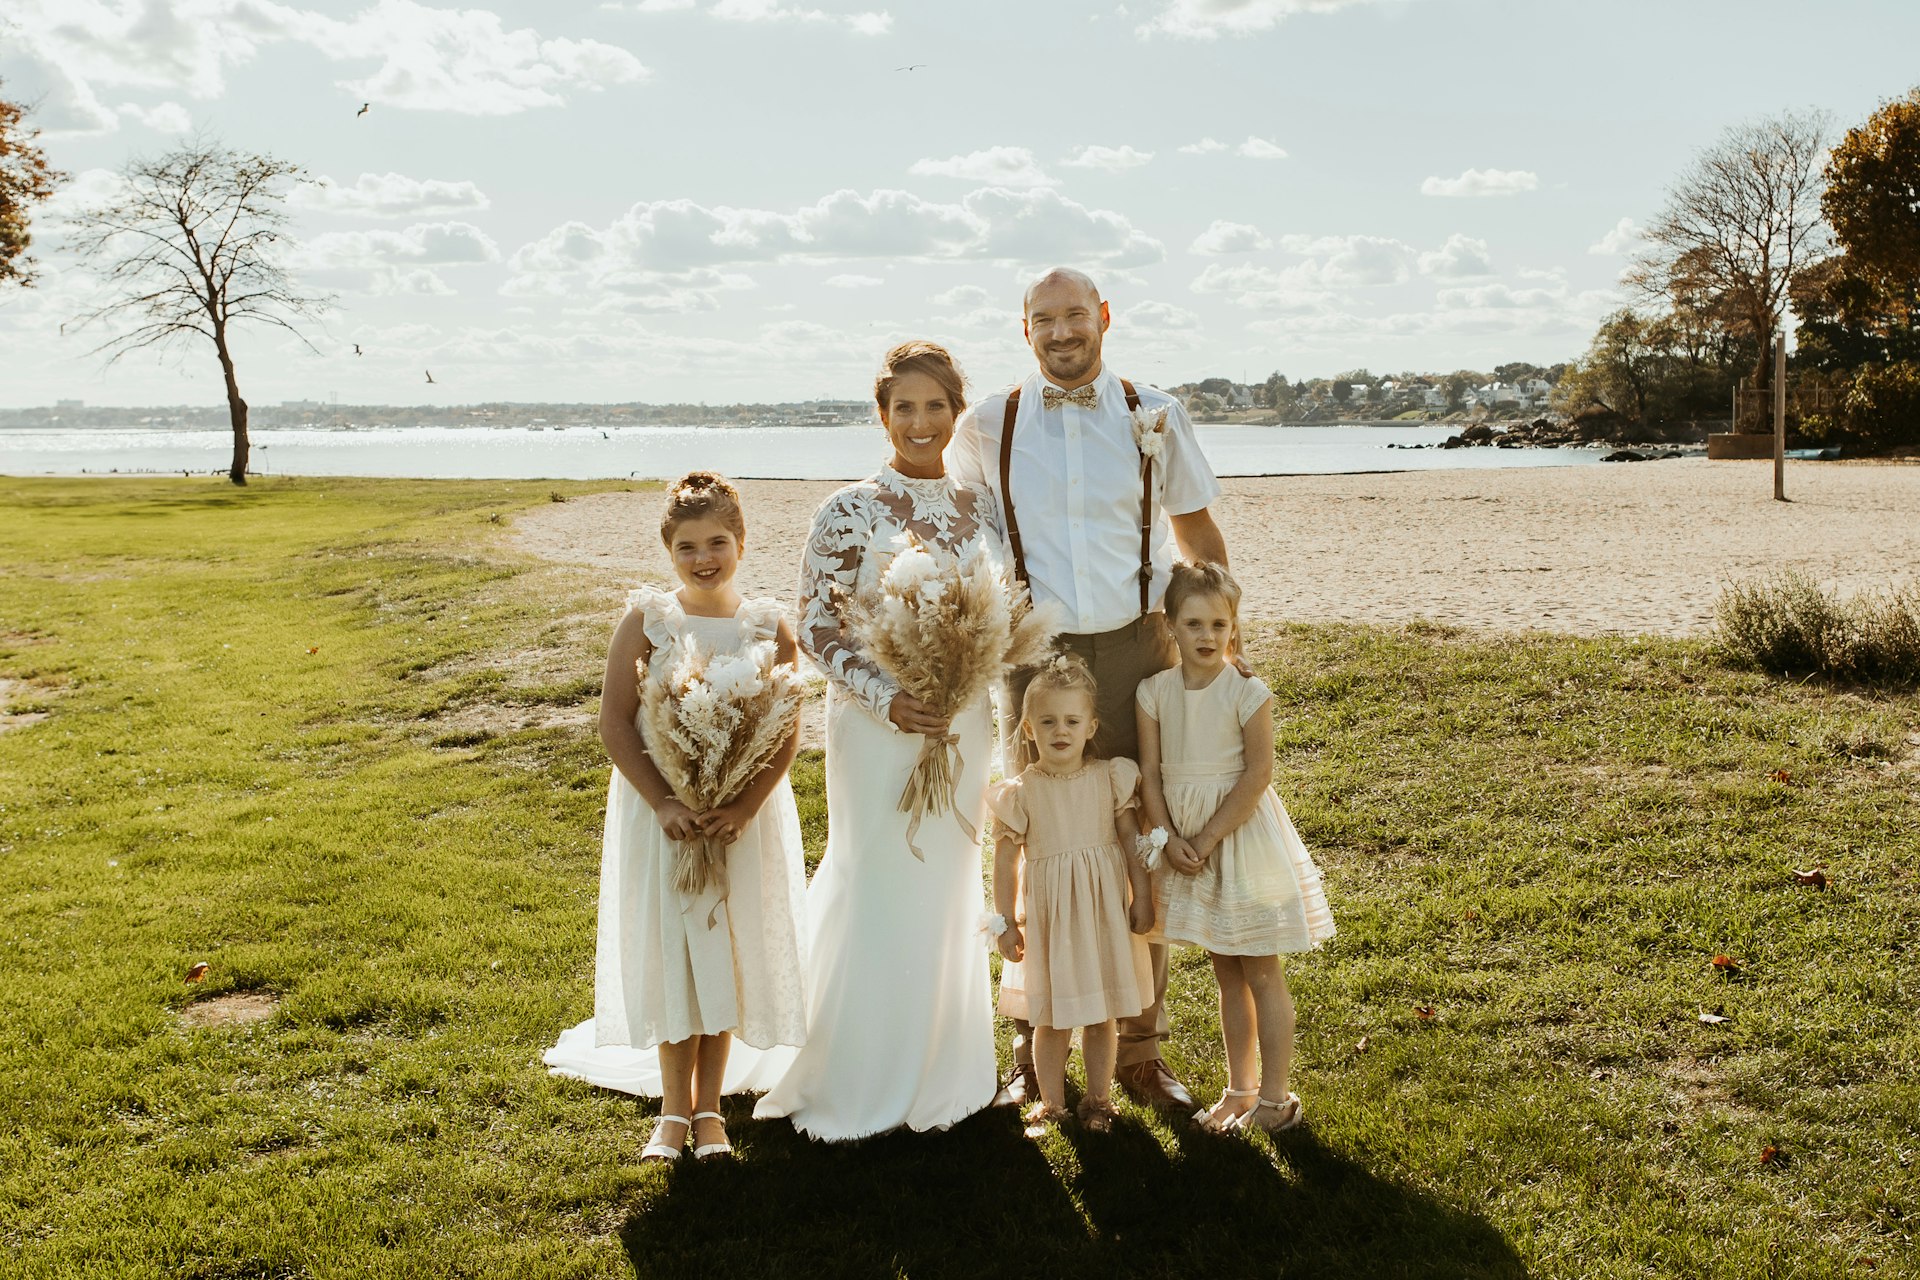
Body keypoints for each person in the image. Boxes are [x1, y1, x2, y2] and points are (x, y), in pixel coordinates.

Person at [948, 266, 1233, 1114]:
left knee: (1140, 833)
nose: (1063, 332)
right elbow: (963, 533)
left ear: (1104, 317)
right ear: (1023, 328)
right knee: (1036, 839)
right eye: (1045, 319)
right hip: (1032, 652)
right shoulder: (985, 424)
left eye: (1076, 315)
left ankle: (1142, 1050)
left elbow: (1197, 530)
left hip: (1138, 648)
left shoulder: (1158, 414)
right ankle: (1029, 1050)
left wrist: (1226, 640)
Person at [755, 341, 1000, 1140]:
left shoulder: (978, 506)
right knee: (878, 875)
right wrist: (889, 699)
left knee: (950, 883)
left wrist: (966, 686)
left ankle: (945, 1065)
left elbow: (997, 609)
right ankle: (852, 1066)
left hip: (964, 724)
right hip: (878, 729)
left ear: (955, 412)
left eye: (935, 407)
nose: (921, 422)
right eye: (905, 408)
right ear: (883, 414)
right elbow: (818, 627)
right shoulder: (848, 508)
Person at [543, 472, 808, 1163]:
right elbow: (615, 722)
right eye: (687, 546)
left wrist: (745, 804)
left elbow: (786, 731)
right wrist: (663, 798)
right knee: (676, 950)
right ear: (669, 551)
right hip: (664, 817)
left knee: (723, 948)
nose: (703, 557)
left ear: (742, 542)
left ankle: (711, 1110)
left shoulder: (767, 625)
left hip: (735, 820)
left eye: (717, 541)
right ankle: (670, 1111)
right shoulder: (648, 621)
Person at [1135, 562, 1335, 1133]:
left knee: (1262, 969)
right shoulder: (1154, 693)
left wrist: (1206, 836)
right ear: (1170, 624)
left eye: (1219, 624)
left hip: (1238, 839)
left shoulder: (1247, 691)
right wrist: (1169, 837)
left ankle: (1276, 1101)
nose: (1206, 636)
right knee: (1226, 969)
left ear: (1233, 626)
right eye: (1193, 623)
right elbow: (1150, 772)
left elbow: (1258, 774)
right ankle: (1239, 1091)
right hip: (1182, 842)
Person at [987, 655, 1154, 1137]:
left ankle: (1099, 1101)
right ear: (1027, 729)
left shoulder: (1110, 777)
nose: (1060, 730)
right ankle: (1053, 1104)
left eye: (1072, 721)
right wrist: (1006, 921)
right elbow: (1004, 863)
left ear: (1091, 726)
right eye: (1048, 721)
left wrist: (1140, 895)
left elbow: (1130, 842)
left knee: (1102, 1014)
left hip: (1102, 912)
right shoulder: (1020, 793)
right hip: (1050, 918)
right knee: (1052, 1015)